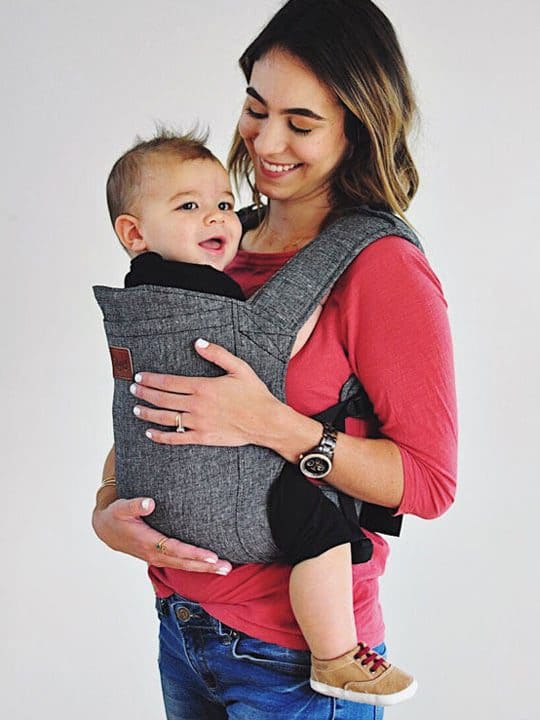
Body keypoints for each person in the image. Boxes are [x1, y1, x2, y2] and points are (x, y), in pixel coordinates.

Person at [92, 1, 457, 718]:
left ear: (358, 129)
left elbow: (430, 484)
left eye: (302, 123)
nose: (265, 141)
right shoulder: (210, 240)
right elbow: (164, 405)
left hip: (294, 664)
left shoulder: (378, 268)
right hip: (184, 632)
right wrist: (107, 510)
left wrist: (274, 424)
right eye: (256, 109)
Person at [101, 129, 416, 706]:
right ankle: (336, 655)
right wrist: (318, 294)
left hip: (225, 612)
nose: (218, 217)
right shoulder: (201, 284)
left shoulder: (138, 298)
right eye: (190, 206)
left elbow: (431, 483)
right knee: (323, 531)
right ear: (134, 232)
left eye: (222, 202)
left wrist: (107, 496)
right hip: (205, 593)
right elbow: (270, 336)